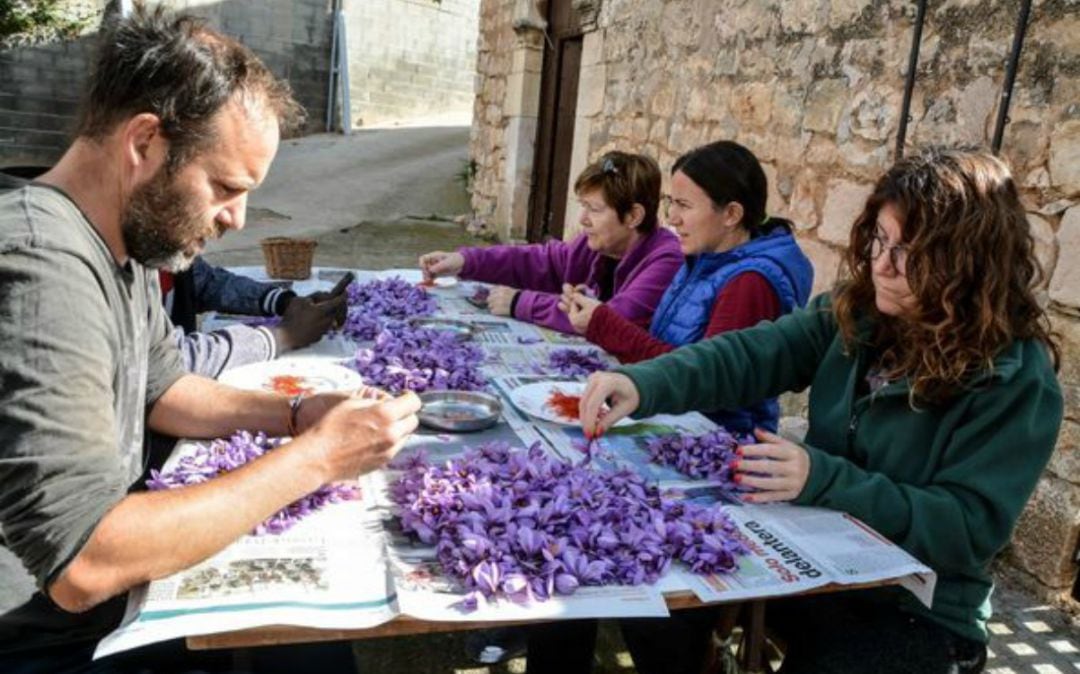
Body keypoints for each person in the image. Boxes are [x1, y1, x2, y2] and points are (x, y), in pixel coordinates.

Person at [0, 7, 419, 673]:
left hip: (118, 601)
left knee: (313, 645)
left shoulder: (122, 241)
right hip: (66, 638)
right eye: (225, 187)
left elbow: (163, 388)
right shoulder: (41, 262)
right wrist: (317, 458)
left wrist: (295, 416)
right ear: (145, 143)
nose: (237, 218)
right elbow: (83, 563)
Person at [577, 148, 1063, 674]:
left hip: (914, 606)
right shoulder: (859, 311)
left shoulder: (1014, 378)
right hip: (814, 558)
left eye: (910, 252)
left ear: (968, 263)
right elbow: (753, 353)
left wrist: (825, 477)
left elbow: (967, 530)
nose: (881, 264)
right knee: (655, 593)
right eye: (880, 239)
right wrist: (641, 383)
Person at [559, 140, 813, 434]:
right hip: (676, 420)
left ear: (731, 214)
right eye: (671, 202)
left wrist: (604, 324)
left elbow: (702, 382)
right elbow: (670, 346)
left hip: (717, 438)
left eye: (684, 205)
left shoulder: (750, 284)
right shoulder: (703, 259)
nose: (672, 218)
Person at [419, 151, 682, 334]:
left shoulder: (666, 259)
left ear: (633, 216)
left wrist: (520, 303)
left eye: (595, 209)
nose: (583, 219)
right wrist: (465, 261)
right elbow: (538, 261)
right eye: (583, 206)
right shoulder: (593, 246)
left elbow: (613, 318)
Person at [163, 257, 347, 378]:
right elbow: (166, 363)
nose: (238, 221)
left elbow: (206, 283)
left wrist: (285, 303)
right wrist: (282, 336)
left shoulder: (169, 249)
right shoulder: (135, 274)